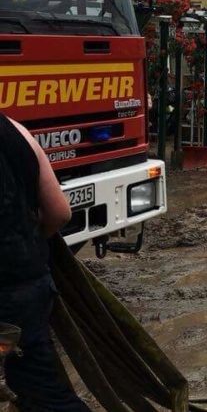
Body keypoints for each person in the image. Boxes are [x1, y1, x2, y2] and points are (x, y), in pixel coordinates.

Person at [0, 113, 91, 411]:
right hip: (28, 288)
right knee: (39, 389)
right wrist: (25, 241)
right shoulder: (17, 130)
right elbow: (60, 213)